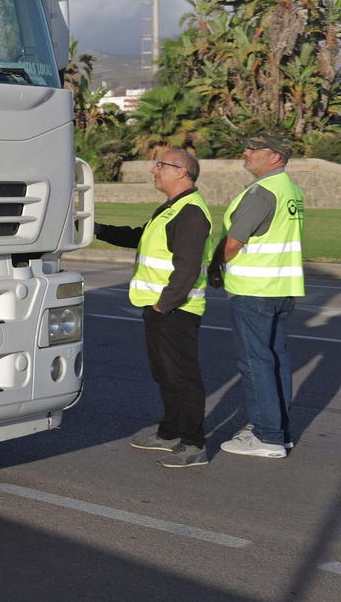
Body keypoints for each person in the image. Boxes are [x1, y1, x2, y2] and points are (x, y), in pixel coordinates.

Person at [94, 148, 214, 468]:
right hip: (159, 307)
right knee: (165, 374)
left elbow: (187, 267)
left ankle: (192, 442)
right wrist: (97, 229)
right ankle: (171, 432)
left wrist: (164, 305)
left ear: (181, 172)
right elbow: (140, 237)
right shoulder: (171, 208)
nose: (154, 170)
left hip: (175, 310)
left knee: (182, 376)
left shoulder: (190, 211)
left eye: (161, 165)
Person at [210, 131, 303, 458]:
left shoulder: (262, 192)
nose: (246, 152)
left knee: (256, 363)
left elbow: (233, 243)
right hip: (280, 288)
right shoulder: (289, 189)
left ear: (275, 157)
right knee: (276, 361)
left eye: (254, 148)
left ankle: (266, 436)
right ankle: (279, 431)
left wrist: (213, 266)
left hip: (254, 291)